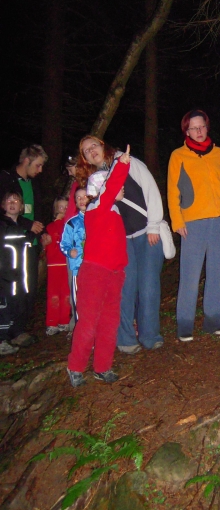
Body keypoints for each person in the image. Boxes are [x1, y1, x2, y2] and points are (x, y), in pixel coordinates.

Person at [78, 136, 165, 354]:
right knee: (124, 289)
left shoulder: (126, 162)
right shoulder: (93, 181)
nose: (91, 151)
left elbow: (150, 189)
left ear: (103, 145)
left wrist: (154, 225)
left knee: (149, 287)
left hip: (147, 232)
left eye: (93, 146)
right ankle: (125, 338)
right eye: (86, 151)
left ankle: (150, 335)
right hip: (120, 241)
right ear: (85, 159)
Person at [66, 145, 131, 388]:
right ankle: (75, 366)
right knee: (89, 322)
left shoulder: (114, 211)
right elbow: (111, 188)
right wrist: (122, 164)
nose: (120, 188)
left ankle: (102, 366)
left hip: (115, 273)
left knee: (109, 322)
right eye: (113, 185)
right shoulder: (97, 207)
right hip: (95, 272)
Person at [167, 109, 220, 341]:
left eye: (202, 126)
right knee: (190, 274)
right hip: (192, 222)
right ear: (186, 131)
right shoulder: (178, 155)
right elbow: (172, 190)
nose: (198, 131)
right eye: (193, 128)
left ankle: (214, 320)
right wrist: (177, 220)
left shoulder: (219, 153)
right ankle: (185, 324)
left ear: (207, 127)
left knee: (218, 272)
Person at [0, 145, 48, 344]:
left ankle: (19, 330)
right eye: (38, 165)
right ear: (27, 161)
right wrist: (28, 225)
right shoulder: (6, 179)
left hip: (30, 243)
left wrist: (42, 232)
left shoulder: (34, 184)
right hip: (11, 246)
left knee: (28, 287)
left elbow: (38, 210)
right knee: (11, 287)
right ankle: (6, 332)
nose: (40, 170)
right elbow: (6, 211)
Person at [0, 192, 36, 354]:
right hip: (5, 278)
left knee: (19, 304)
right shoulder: (2, 226)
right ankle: (2, 340)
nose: (12, 203)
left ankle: (16, 333)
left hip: (20, 278)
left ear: (22, 207)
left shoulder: (22, 228)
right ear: (3, 205)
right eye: (9, 200)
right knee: (5, 308)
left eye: (16, 201)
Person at [60, 188, 87, 326]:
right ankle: (80, 330)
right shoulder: (72, 223)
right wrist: (70, 251)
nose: (82, 200)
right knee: (80, 301)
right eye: (78, 197)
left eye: (84, 196)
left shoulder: (98, 219)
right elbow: (64, 244)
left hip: (96, 268)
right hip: (78, 268)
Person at [44, 197, 70, 336]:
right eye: (61, 207)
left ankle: (64, 320)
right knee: (53, 295)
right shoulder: (50, 227)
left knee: (66, 294)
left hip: (67, 264)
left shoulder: (70, 225)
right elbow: (48, 242)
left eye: (67, 207)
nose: (64, 210)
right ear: (55, 209)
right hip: (54, 265)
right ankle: (52, 322)